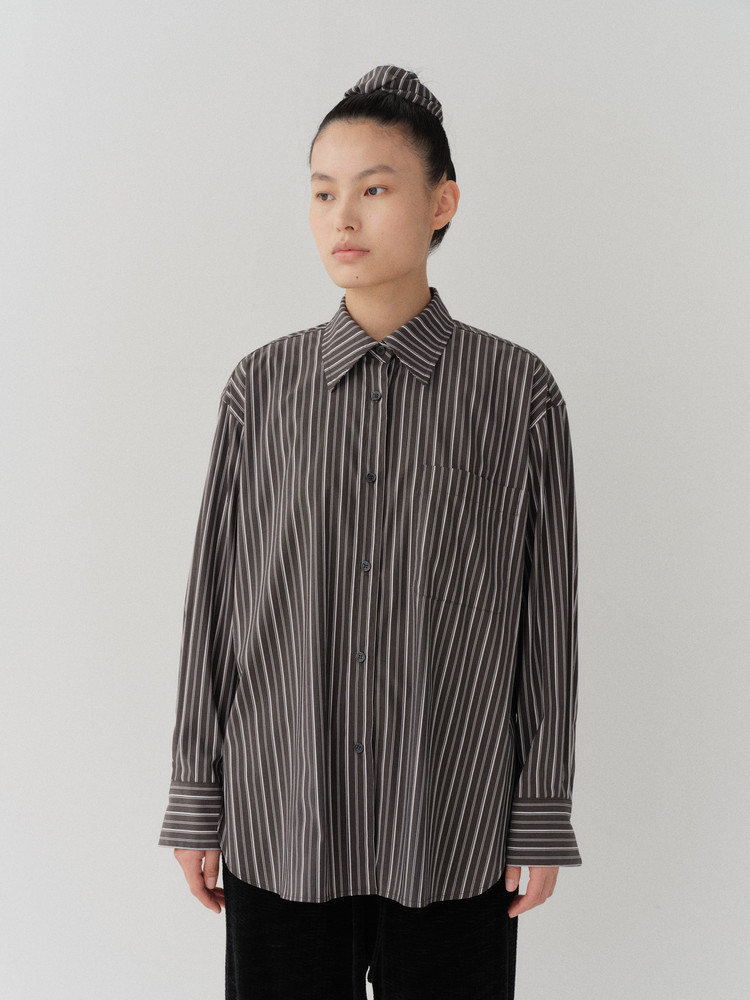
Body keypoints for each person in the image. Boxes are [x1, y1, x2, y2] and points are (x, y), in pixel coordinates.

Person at [159, 64, 581, 999]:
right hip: (282, 819)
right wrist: (196, 796)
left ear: (442, 203)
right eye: (323, 193)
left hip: (452, 824)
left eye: (375, 189)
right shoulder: (261, 389)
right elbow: (213, 602)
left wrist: (541, 807)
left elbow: (546, 617)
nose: (342, 217)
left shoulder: (517, 394)